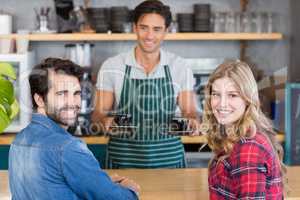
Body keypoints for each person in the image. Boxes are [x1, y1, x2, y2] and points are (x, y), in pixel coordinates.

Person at [9, 58, 140, 200]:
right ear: (39, 99)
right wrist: (129, 190)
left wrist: (101, 184)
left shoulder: (18, 140)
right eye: (62, 93)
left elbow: (50, 186)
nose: (72, 103)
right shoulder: (68, 148)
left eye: (76, 93)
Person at [93, 0, 200, 169]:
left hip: (170, 162)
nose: (149, 36)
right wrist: (105, 122)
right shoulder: (112, 66)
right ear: (135, 28)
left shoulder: (179, 66)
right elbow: (98, 115)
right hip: (123, 162)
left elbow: (190, 111)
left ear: (166, 31)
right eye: (144, 28)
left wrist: (192, 122)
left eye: (157, 29)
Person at [202, 60, 285, 199]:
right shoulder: (237, 135)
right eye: (216, 94)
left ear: (247, 99)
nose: (222, 104)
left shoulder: (249, 148)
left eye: (232, 95)